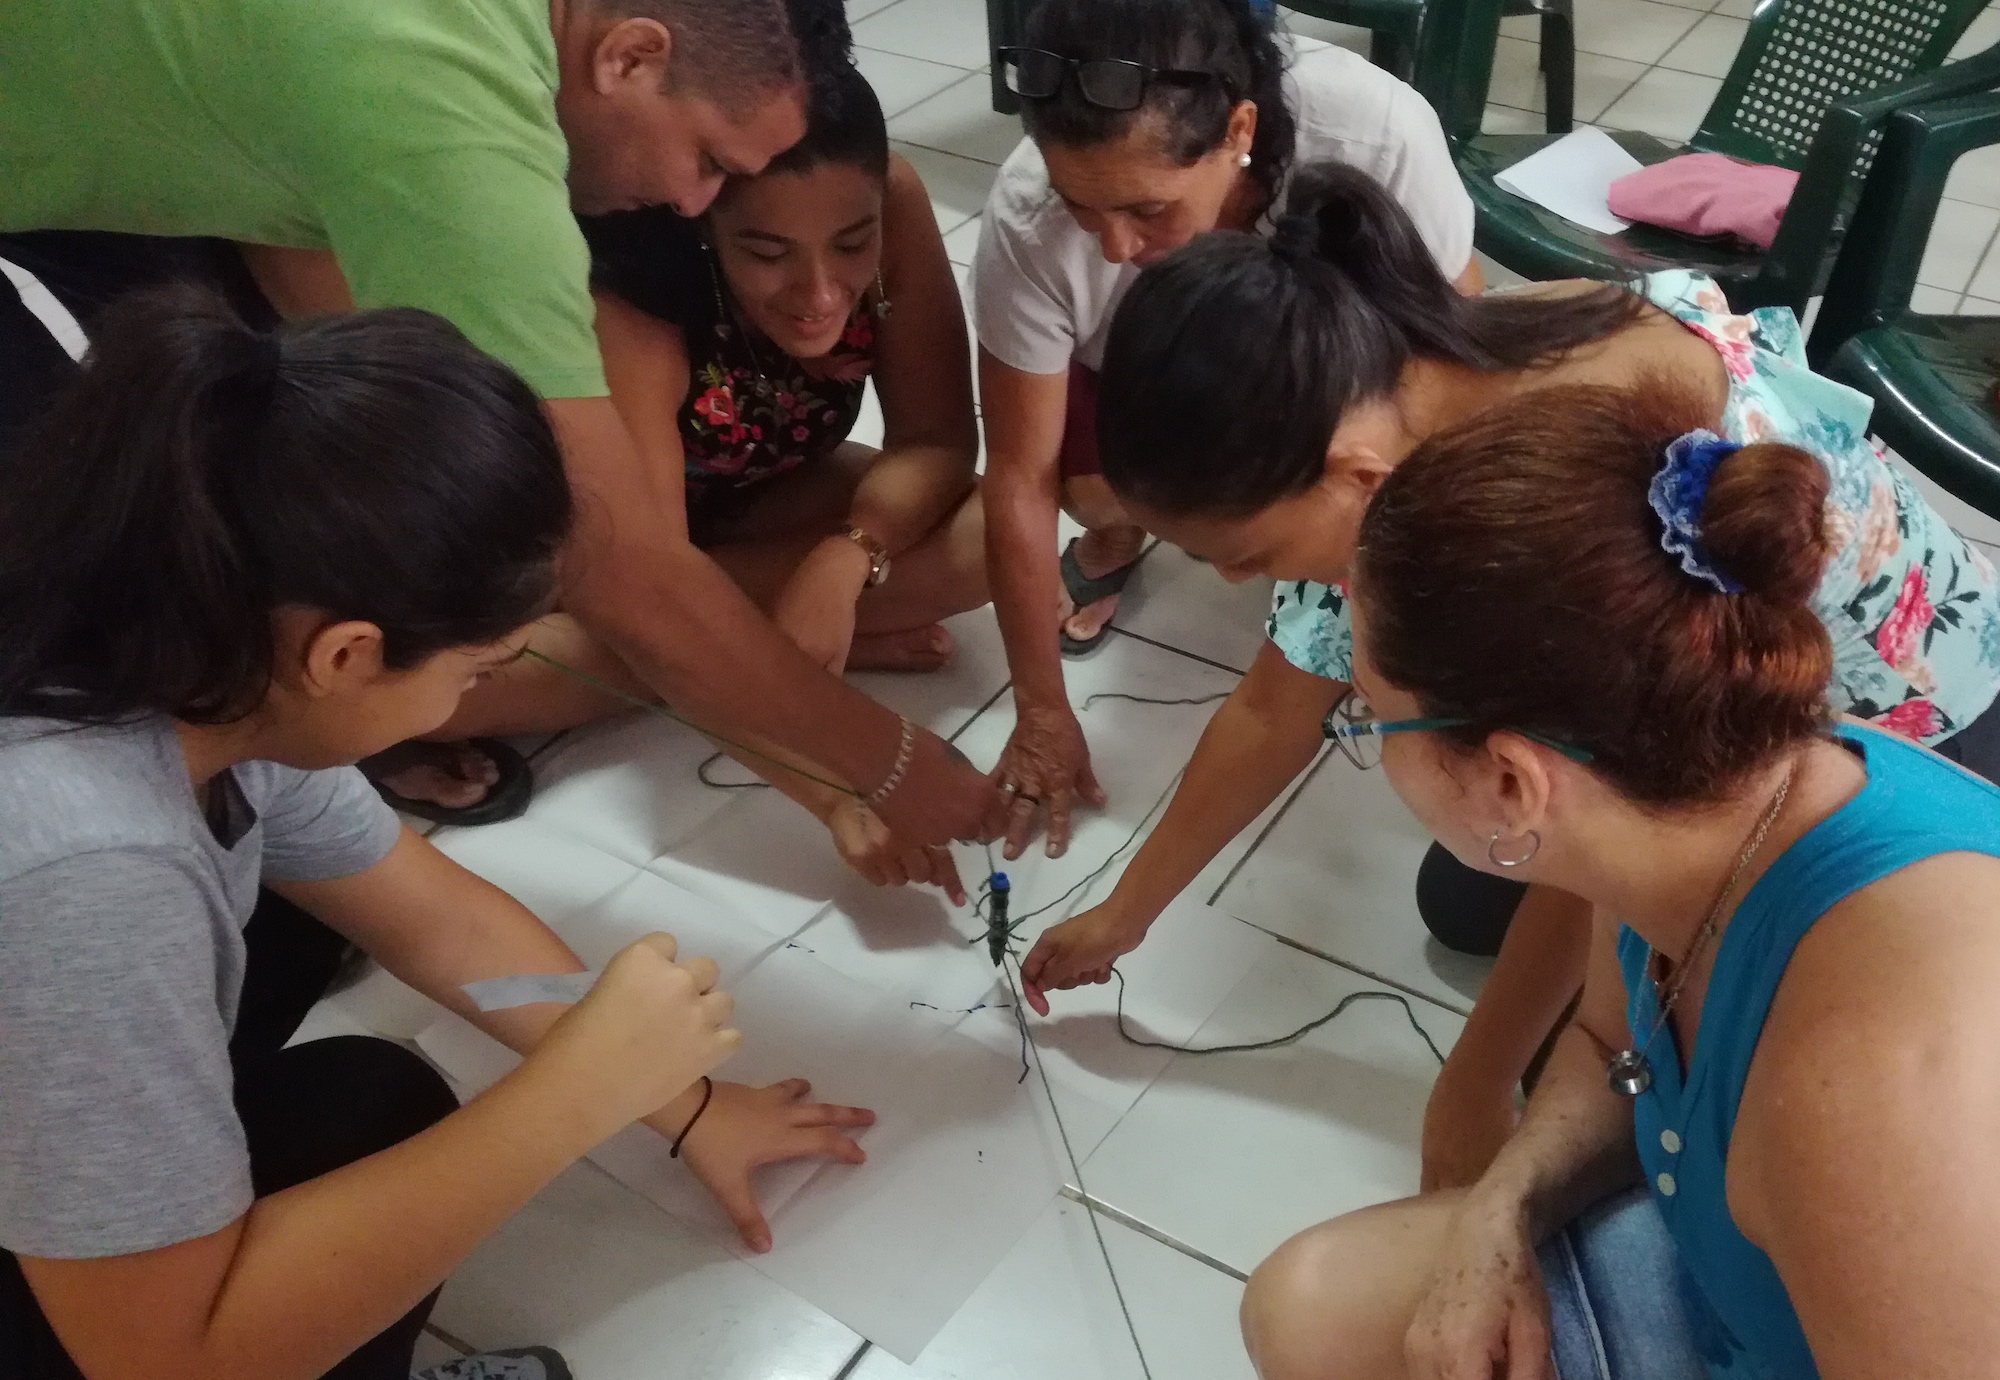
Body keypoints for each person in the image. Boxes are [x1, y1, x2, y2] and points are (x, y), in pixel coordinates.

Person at [1022, 164, 2000, 1193]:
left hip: (1904, 748)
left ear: (1354, 478)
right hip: (1674, 730)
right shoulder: (1392, 381)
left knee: (1672, 1060)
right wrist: (1122, 915)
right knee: (1471, 893)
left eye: (1247, 557)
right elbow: (1274, 705)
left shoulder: (1561, 509)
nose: (1230, 583)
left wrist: (1473, 1088)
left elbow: (1606, 822)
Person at [0, 292, 873, 1380]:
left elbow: (441, 921)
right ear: (347, 657)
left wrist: (685, 1108)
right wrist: (575, 1097)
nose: (475, 693)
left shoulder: (197, 640)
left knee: (370, 1102)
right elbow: (163, 1364)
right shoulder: (86, 869)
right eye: (474, 670)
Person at [0, 0, 1006, 842]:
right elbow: (612, 557)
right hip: (60, 200)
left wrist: (821, 604)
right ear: (629, 56)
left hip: (174, 160)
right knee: (104, 600)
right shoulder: (440, 108)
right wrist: (883, 764)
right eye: (705, 159)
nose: (691, 197)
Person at [1236, 383, 2000, 1379]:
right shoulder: (1687, 800)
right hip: (1748, 1289)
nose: (1369, 742)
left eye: (1369, 717)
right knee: (1307, 1306)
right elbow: (1608, 1044)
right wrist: (1500, 1211)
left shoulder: (1869, 1095)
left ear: (1510, 780)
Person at [438, 58, 985, 900]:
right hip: (603, 558)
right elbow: (646, 583)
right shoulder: (637, 302)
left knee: (983, 540)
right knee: (450, 683)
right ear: (703, 217)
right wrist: (834, 792)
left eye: (851, 245)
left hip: (758, 497)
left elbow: (941, 440)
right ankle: (761, 658)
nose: (819, 293)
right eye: (767, 253)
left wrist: (846, 560)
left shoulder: (891, 199)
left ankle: (756, 649)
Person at [976, 0, 1479, 860]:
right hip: (1164, 376)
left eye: (1148, 210)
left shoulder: (1376, 133)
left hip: (1365, 368)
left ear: (1240, 129)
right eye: (1081, 208)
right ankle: (1123, 532)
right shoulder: (1028, 214)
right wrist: (1042, 709)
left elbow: (1450, 362)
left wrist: (1367, 562)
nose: (1112, 248)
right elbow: (1019, 476)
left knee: (1360, 582)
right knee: (1098, 492)